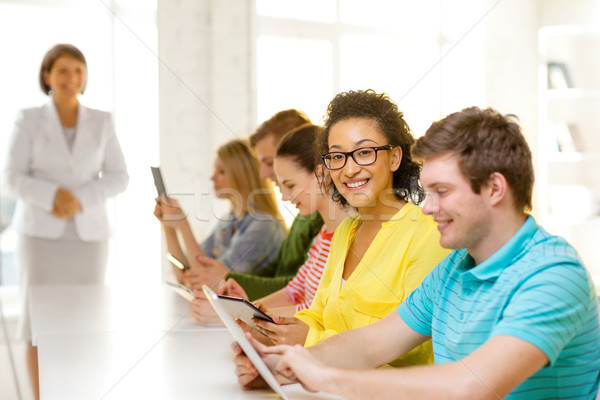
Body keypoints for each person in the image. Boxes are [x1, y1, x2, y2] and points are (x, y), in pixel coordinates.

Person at [235, 107, 600, 399]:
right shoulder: (454, 268)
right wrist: (284, 364)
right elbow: (373, 342)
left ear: (494, 188)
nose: (427, 207)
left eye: (442, 191)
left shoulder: (553, 274)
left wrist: (324, 377)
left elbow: (470, 387)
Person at [243, 90, 449, 359]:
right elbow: (317, 316)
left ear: (395, 158)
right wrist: (274, 336)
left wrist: (308, 341)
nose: (349, 169)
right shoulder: (345, 231)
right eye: (337, 156)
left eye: (364, 152)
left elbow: (411, 353)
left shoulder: (428, 235)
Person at [3, 44, 129, 399]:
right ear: (47, 76)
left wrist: (81, 198)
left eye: (77, 70)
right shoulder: (28, 118)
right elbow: (10, 177)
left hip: (89, 239)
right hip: (40, 238)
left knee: (84, 323)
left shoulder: (102, 120)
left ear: (84, 76)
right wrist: (51, 195)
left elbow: (119, 176)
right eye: (63, 70)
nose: (71, 78)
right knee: (37, 325)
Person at [191, 124, 350, 333]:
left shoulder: (349, 238)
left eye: (290, 186)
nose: (284, 196)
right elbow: (294, 291)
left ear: (321, 174)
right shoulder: (322, 236)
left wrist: (241, 315)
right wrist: (248, 308)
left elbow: (323, 312)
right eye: (281, 186)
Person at [192, 110, 324, 297]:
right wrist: (234, 283)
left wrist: (229, 279)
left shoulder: (319, 220)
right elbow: (288, 280)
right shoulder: (305, 218)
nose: (262, 174)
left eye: (269, 162)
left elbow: (301, 289)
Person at [154, 138, 286, 283]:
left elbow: (207, 282)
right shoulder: (227, 222)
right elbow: (184, 274)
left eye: (221, 171)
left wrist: (183, 225)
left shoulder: (264, 226)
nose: (212, 177)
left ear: (241, 176)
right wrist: (168, 226)